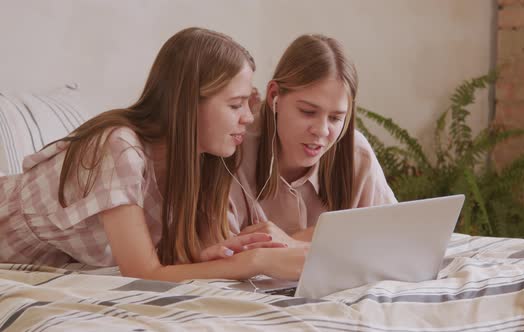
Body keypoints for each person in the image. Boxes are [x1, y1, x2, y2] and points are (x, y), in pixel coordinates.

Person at [0, 27, 306, 282]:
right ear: (187, 104)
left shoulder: (198, 164)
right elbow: (142, 273)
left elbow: (160, 264)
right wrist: (254, 262)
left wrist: (205, 259)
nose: (248, 118)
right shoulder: (119, 148)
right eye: (235, 105)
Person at [228, 34, 398, 247]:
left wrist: (294, 242)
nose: (321, 131)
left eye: (336, 118)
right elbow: (220, 259)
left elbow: (392, 238)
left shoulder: (356, 153)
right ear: (274, 97)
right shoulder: (233, 147)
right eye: (308, 112)